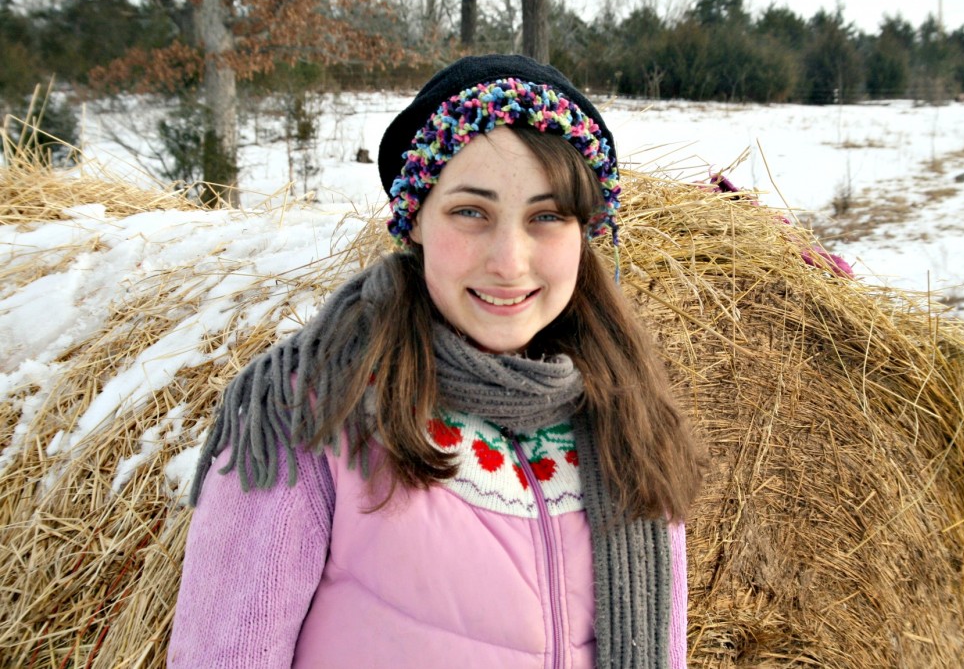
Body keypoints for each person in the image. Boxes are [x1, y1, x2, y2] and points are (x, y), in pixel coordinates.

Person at [168, 54, 707, 668]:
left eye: (547, 217)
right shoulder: (312, 410)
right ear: (416, 220)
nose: (509, 260)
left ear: (584, 234)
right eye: (471, 212)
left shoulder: (628, 419)